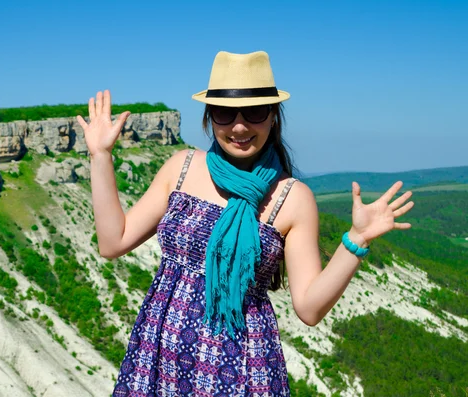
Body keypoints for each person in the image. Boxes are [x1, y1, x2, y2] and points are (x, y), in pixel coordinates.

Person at [76, 51, 414, 396]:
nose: (239, 126)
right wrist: (101, 156)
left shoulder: (293, 198)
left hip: (241, 368)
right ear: (210, 118)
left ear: (273, 118)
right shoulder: (181, 167)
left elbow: (309, 308)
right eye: (224, 112)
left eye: (254, 112)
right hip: (160, 357)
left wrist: (356, 240)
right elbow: (112, 242)